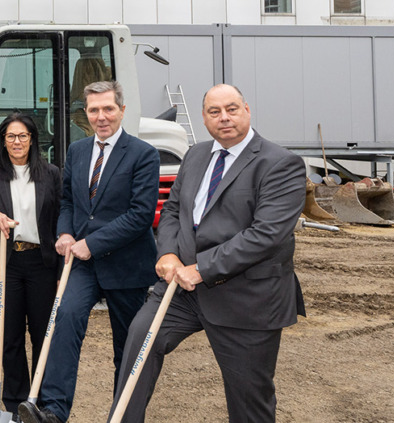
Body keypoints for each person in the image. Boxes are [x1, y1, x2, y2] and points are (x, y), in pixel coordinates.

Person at [108, 84, 306, 422]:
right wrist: (167, 253)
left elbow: (266, 235)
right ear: (203, 118)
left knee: (249, 401)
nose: (224, 117)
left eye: (231, 109)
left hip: (246, 297)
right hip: (180, 291)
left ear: (247, 110)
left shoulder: (280, 164)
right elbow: (173, 211)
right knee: (139, 344)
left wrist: (201, 268)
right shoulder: (196, 155)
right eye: (214, 112)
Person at [21, 81, 160, 423]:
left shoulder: (143, 154)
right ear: (86, 113)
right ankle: (54, 410)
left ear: (121, 110)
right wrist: (66, 232)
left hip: (127, 265)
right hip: (82, 264)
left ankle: (125, 415)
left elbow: (140, 215)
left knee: (127, 346)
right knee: (64, 320)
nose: (101, 117)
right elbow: (68, 200)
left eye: (108, 109)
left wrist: (91, 243)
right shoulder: (78, 151)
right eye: (94, 110)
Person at [0, 112, 62, 413]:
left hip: (41, 262)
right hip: (5, 262)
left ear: (32, 139)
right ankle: (15, 404)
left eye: (22, 135)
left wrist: (60, 267)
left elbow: (59, 219)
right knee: (9, 336)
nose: (16, 142)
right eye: (10, 136)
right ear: (2, 141)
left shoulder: (50, 173)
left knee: (42, 334)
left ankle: (41, 399)